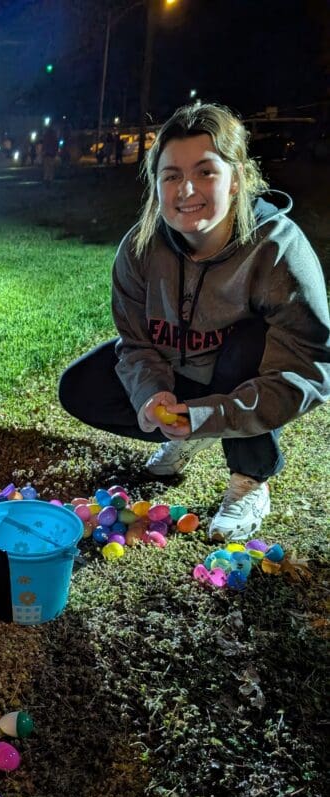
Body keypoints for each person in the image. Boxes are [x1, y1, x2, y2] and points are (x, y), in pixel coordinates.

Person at [58, 102, 330, 543]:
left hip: (240, 378)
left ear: (237, 178)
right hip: (182, 377)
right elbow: (135, 344)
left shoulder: (278, 250)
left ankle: (250, 476)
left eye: (205, 172)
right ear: (156, 184)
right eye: (171, 175)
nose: (187, 190)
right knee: (79, 387)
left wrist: (214, 414)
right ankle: (188, 432)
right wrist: (152, 396)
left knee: (248, 341)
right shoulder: (139, 248)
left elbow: (307, 370)